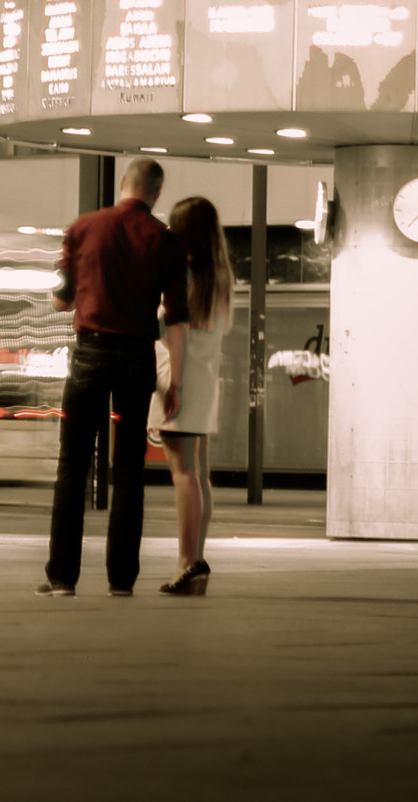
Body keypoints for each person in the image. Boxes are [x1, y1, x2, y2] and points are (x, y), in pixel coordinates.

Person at [38, 158, 189, 597]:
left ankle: (62, 578)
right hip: (137, 359)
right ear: (156, 194)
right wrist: (174, 381)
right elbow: (176, 319)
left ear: (123, 185)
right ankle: (121, 580)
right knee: (128, 471)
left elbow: (61, 303)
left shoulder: (82, 228)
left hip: (90, 357)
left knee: (72, 466)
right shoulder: (166, 240)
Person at [150, 196, 232, 596]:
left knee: (182, 473)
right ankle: (195, 556)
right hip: (205, 378)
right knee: (199, 473)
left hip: (177, 376)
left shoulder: (184, 276)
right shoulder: (219, 276)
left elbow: (167, 328)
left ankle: (188, 562)